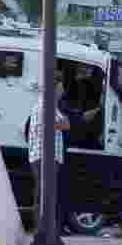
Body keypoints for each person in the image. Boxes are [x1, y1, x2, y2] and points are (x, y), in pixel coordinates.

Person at [25, 73, 71, 233]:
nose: (63, 90)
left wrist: (63, 122)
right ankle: (41, 228)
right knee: (45, 194)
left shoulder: (48, 104)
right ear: (55, 86)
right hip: (45, 156)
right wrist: (63, 122)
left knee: (44, 192)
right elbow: (63, 124)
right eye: (61, 86)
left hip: (43, 155)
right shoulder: (46, 104)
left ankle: (42, 227)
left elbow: (64, 123)